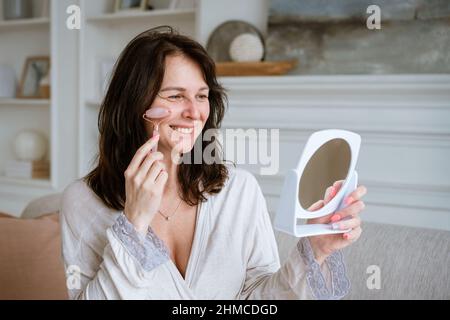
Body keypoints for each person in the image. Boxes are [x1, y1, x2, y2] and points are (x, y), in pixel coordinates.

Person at [60, 26, 367, 300]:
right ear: (135, 104)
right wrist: (133, 225)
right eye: (175, 96)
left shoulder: (238, 190)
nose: (195, 112)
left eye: (202, 96)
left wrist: (317, 250)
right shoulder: (83, 202)